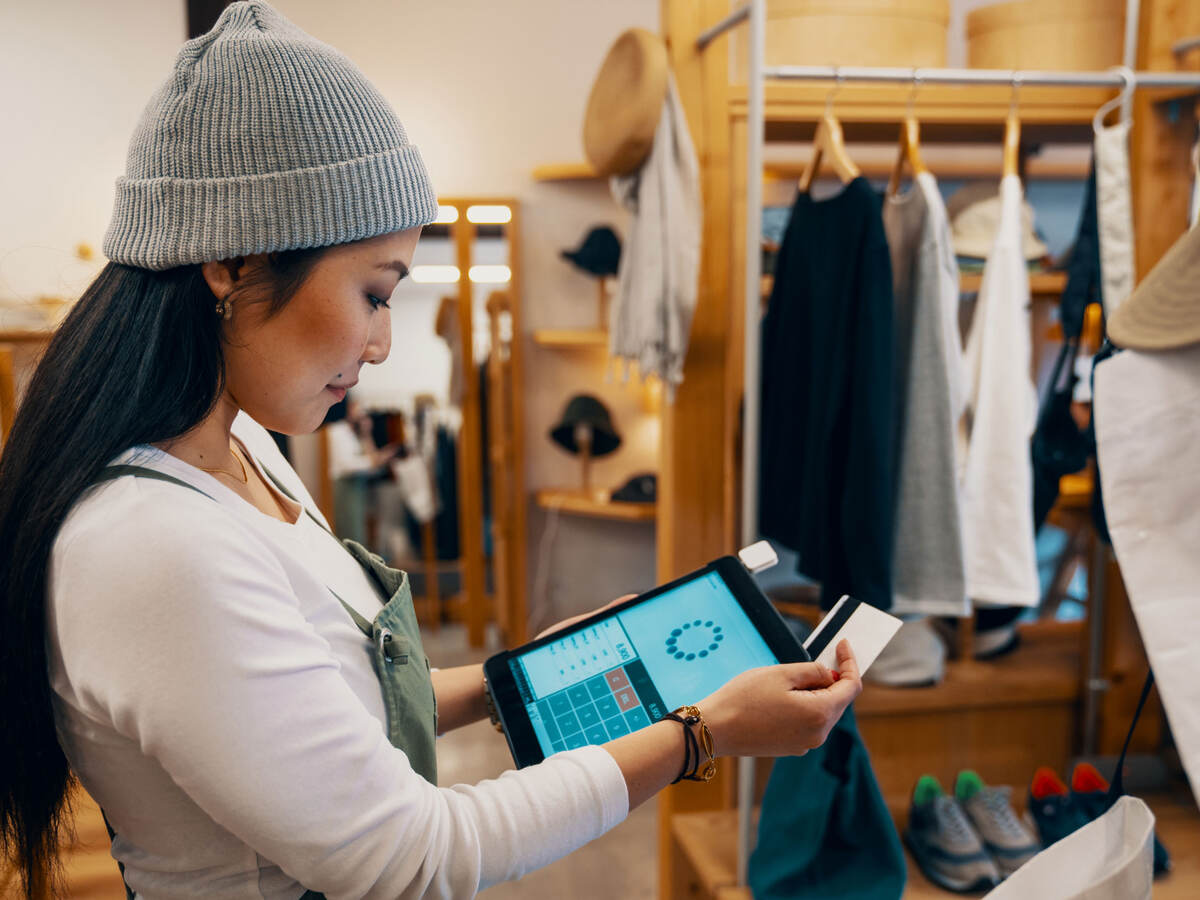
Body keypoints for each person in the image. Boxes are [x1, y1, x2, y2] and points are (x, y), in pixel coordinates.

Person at [0, 4, 862, 898]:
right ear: (232, 263)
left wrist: (504, 683)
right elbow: (413, 855)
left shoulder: (249, 447)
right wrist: (701, 731)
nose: (380, 346)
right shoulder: (150, 547)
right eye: (376, 294)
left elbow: (325, 709)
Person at [325, 397, 399, 547]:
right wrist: (374, 460)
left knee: (358, 532)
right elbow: (347, 464)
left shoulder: (355, 432)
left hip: (357, 485)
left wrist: (366, 433)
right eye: (358, 410)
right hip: (345, 484)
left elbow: (371, 459)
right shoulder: (338, 430)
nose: (361, 414)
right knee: (350, 532)